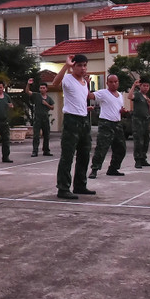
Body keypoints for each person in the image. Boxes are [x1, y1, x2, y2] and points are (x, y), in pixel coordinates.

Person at [52, 54, 96, 199]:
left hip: (84, 120)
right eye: (79, 65)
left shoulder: (84, 81)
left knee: (84, 154)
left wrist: (85, 109)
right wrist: (66, 66)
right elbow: (55, 83)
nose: (83, 68)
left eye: (85, 65)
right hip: (71, 121)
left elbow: (80, 99)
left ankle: (80, 185)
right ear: (74, 66)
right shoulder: (68, 79)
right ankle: (63, 188)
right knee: (68, 155)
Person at [89, 74, 128, 178]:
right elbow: (90, 96)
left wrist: (122, 111)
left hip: (117, 124)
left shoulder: (120, 95)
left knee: (121, 148)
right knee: (102, 148)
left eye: (116, 82)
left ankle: (113, 168)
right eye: (111, 82)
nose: (114, 84)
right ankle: (95, 169)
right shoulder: (103, 93)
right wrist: (86, 84)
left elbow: (118, 108)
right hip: (106, 123)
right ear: (107, 83)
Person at [128, 78, 150, 168]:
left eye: (147, 86)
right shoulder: (138, 95)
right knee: (138, 141)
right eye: (144, 86)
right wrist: (134, 86)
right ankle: (137, 160)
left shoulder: (147, 97)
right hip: (138, 120)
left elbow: (149, 112)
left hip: (145, 120)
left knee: (146, 141)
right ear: (140, 86)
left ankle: (143, 158)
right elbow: (130, 97)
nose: (146, 88)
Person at [26, 78, 54, 157]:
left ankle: (46, 150)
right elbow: (27, 92)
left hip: (45, 117)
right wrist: (28, 84)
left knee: (46, 135)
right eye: (41, 88)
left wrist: (46, 104)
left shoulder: (49, 98)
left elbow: (52, 107)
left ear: (46, 89)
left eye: (43, 88)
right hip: (37, 118)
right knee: (36, 135)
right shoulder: (37, 95)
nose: (42, 89)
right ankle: (35, 151)